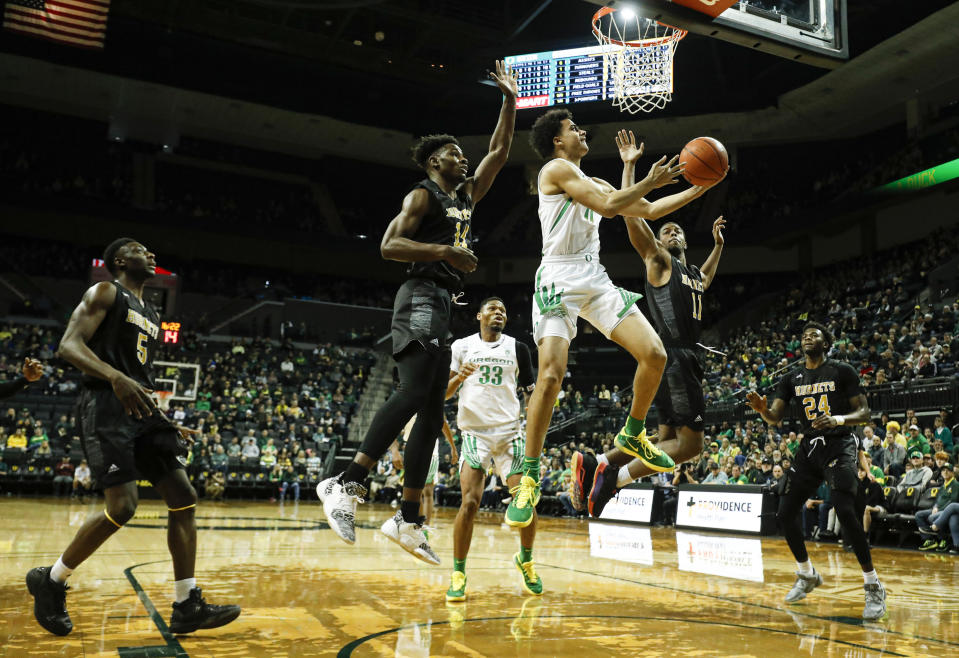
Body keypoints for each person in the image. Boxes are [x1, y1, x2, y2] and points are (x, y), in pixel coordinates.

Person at [318, 61, 518, 565]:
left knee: (431, 411)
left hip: (443, 303)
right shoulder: (422, 194)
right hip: (420, 297)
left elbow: (499, 151)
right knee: (413, 393)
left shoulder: (466, 196)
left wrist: (509, 101)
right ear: (433, 163)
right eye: (453, 153)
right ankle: (345, 483)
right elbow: (388, 246)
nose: (463, 157)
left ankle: (408, 517)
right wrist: (446, 254)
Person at [506, 111, 724, 529]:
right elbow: (609, 207)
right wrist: (645, 178)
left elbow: (647, 207)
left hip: (594, 275)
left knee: (655, 354)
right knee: (550, 377)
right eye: (574, 128)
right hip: (558, 276)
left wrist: (699, 187)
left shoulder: (597, 182)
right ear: (557, 141)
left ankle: (632, 433)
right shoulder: (555, 169)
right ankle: (528, 477)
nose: (583, 131)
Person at [26, 238, 239, 637]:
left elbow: (138, 377)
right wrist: (115, 376)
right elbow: (69, 346)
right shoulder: (106, 291)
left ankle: (186, 603)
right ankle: (50, 580)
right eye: (142, 250)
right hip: (105, 406)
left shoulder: (152, 312)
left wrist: (166, 420)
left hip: (142, 412)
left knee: (184, 497)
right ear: (121, 261)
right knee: (123, 507)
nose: (152, 254)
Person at [573, 130, 728, 518]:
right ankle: (613, 476)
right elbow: (631, 218)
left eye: (676, 230)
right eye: (665, 230)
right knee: (690, 447)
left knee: (662, 441)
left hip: (670, 362)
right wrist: (629, 167)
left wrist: (719, 247)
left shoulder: (691, 272)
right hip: (676, 357)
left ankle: (597, 462)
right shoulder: (659, 261)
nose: (671, 231)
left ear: (685, 240)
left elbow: (705, 279)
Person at [746, 321, 886, 620]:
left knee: (846, 511)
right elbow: (775, 417)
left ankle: (873, 585)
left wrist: (836, 419)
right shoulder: (791, 377)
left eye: (815, 335)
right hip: (810, 448)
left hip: (840, 444)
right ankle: (806, 574)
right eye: (804, 335)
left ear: (826, 342)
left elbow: (864, 413)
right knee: (784, 513)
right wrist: (762, 410)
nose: (808, 338)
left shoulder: (842, 371)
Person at [443, 297, 537, 602]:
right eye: (493, 309)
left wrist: (535, 437)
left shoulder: (519, 348)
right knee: (469, 503)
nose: (499, 312)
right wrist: (460, 376)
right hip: (475, 433)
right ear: (479, 315)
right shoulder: (461, 347)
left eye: (504, 310)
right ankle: (458, 573)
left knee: (525, 502)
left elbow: (532, 396)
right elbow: (443, 395)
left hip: (510, 433)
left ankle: (526, 559)